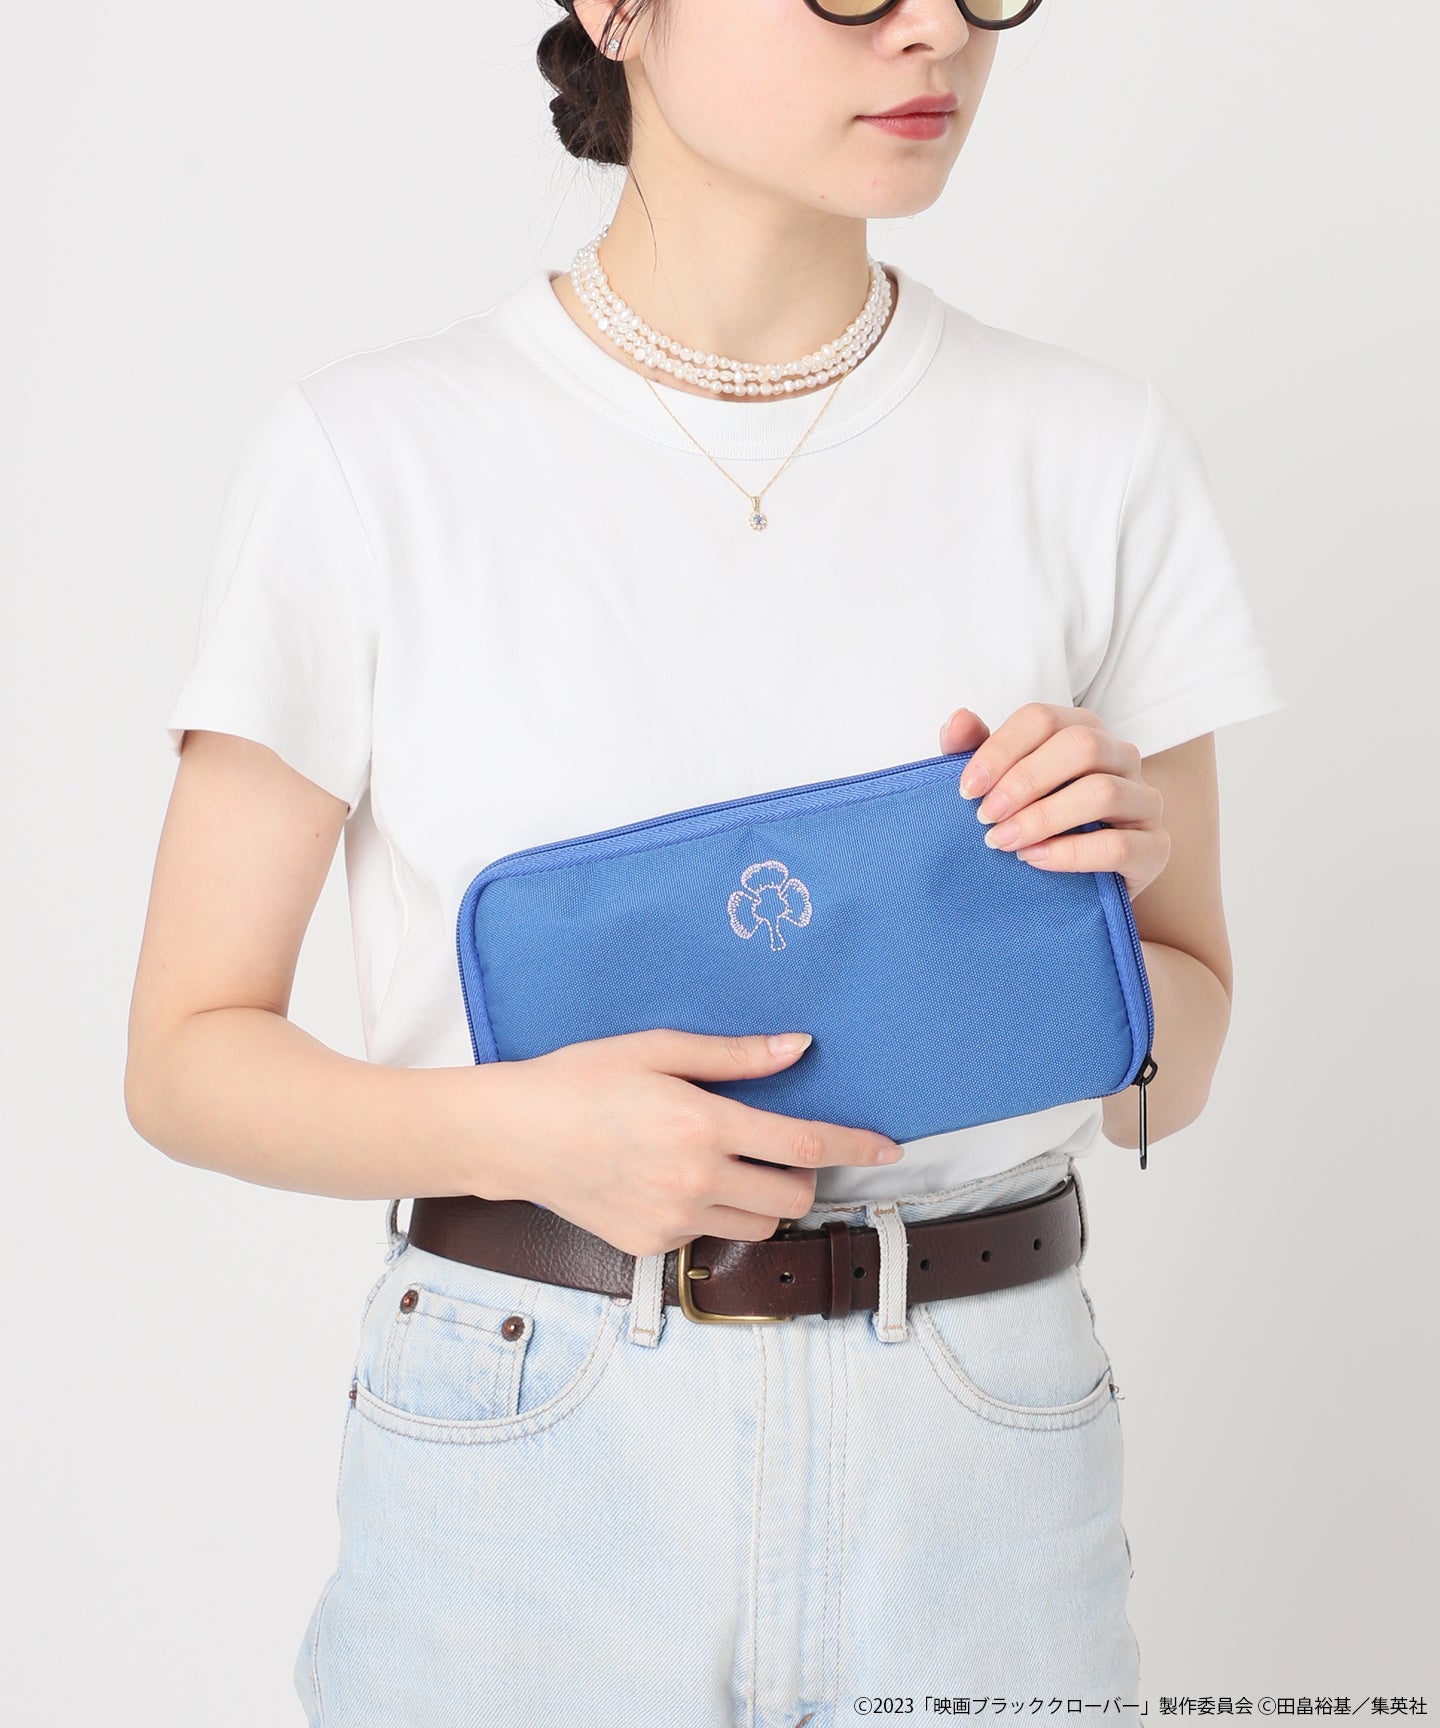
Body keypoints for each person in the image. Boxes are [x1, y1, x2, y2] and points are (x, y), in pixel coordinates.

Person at [125, 0, 1286, 1720]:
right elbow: (183, 1060)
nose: (937, 33)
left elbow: (1172, 1070)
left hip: (981, 1442)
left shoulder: (1093, 448)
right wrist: (528, 1133)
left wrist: (1099, 932)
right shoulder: (375, 456)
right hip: (534, 1431)